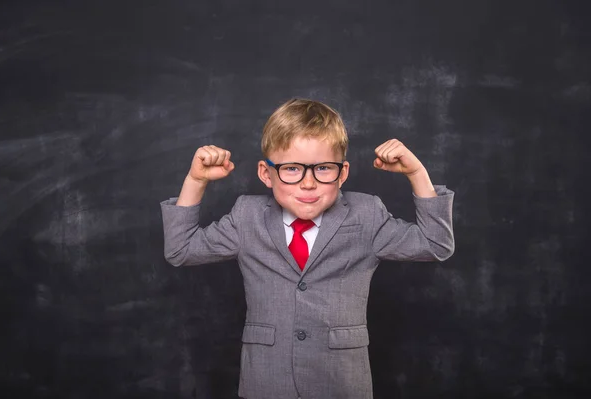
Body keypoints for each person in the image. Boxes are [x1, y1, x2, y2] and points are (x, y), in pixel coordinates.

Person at [160, 98, 454, 399]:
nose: (308, 183)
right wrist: (196, 181)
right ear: (266, 173)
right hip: (267, 382)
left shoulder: (366, 214)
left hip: (340, 383)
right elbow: (181, 249)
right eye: (291, 169)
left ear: (342, 173)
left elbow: (436, 245)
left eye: (323, 168)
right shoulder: (246, 216)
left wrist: (417, 174)